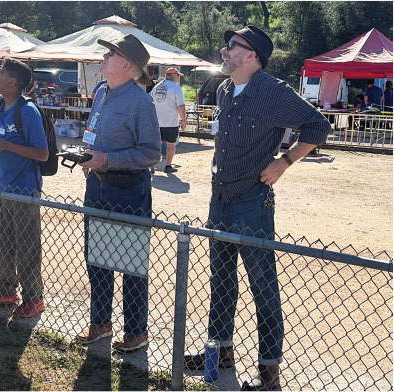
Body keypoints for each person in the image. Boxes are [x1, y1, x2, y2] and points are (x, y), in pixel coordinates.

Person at [184, 26, 331, 390]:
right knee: (221, 281)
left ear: (252, 56)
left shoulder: (273, 92)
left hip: (252, 200)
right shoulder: (223, 89)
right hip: (220, 198)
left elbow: (318, 124)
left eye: (232, 46)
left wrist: (284, 162)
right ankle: (220, 353)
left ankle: (268, 371)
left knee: (262, 284)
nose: (224, 50)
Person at [75, 34, 160, 352]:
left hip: (127, 190)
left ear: (126, 64)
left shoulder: (141, 102)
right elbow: (95, 133)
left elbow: (152, 153)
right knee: (96, 260)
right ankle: (101, 323)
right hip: (97, 185)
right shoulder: (101, 94)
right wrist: (89, 155)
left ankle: (136, 331)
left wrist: (108, 159)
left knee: (129, 265)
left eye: (110, 54)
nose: (103, 58)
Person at [0, 58, 49, 318]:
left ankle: (34, 297)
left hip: (25, 189)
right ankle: (5, 289)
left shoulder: (28, 111)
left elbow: (42, 154)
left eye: (0, 73)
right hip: (3, 185)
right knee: (5, 240)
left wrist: (5, 146)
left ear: (13, 82)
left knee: (28, 245)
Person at [150, 67, 187, 173]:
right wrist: (184, 119)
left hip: (157, 121)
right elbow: (181, 105)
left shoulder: (156, 87)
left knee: (156, 144)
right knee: (171, 144)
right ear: (173, 76)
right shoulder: (176, 88)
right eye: (178, 76)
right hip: (171, 122)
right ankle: (168, 166)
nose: (179, 78)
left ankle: (151, 165)